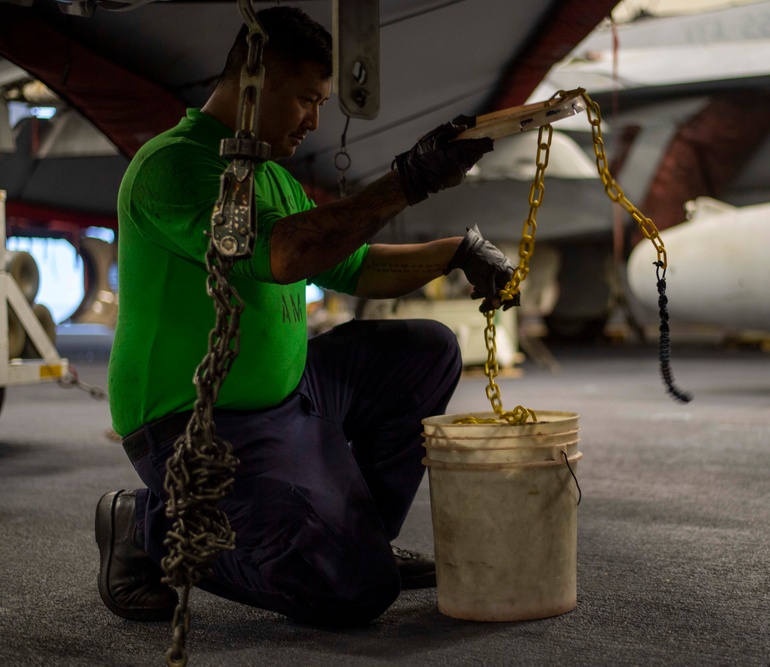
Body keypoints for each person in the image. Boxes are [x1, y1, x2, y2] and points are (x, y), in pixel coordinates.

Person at [95, 6, 517, 626]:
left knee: (428, 349)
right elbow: (285, 255)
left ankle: (360, 537)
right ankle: (149, 526)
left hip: (292, 397)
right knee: (355, 593)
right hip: (198, 426)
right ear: (251, 85)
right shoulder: (173, 166)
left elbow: (348, 266)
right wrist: (408, 181)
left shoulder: (272, 177)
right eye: (304, 100)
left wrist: (457, 252)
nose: (314, 121)